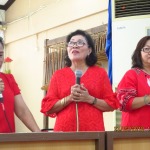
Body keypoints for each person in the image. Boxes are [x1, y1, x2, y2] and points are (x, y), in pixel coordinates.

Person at [41, 29, 119, 131]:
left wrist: (89, 99)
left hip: (93, 132)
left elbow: (111, 104)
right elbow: (48, 108)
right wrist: (69, 98)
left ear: (89, 50)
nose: (75, 45)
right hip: (64, 133)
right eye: (71, 43)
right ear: (68, 49)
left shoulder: (100, 73)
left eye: (80, 43)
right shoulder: (58, 75)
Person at [0, 37, 41, 133]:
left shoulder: (8, 79)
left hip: (8, 143)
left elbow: (22, 111)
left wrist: (38, 134)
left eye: (0, 55)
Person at [117, 36, 150, 129]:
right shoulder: (132, 74)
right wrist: (148, 99)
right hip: (135, 134)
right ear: (139, 53)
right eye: (147, 49)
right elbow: (123, 103)